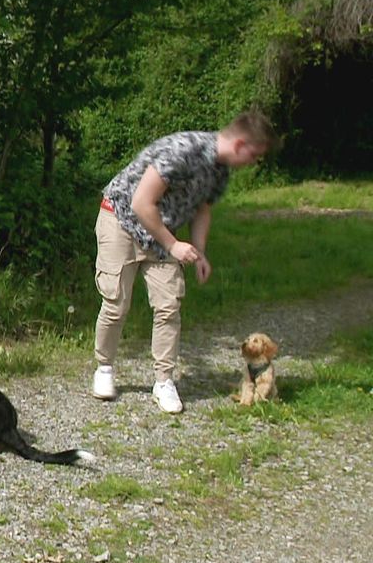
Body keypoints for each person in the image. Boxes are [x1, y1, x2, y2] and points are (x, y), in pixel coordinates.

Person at [91, 110, 278, 413]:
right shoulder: (184, 150)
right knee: (116, 302)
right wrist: (174, 244)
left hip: (161, 231)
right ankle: (105, 369)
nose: (253, 163)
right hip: (121, 220)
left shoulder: (220, 170)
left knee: (169, 304)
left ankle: (164, 381)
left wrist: (199, 251)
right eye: (255, 156)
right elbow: (141, 202)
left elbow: (201, 209)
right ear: (242, 144)